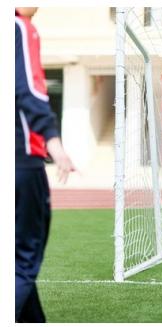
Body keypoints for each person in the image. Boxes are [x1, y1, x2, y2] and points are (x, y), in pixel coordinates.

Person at [15, 7, 76, 322]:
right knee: (21, 263)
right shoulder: (18, 26)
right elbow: (28, 89)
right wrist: (54, 142)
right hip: (20, 161)